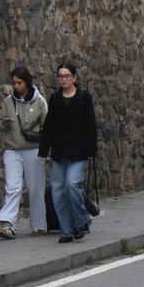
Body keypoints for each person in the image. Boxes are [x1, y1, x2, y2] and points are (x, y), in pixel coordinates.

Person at [38, 61, 98, 243]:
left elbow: (90, 125)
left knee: (72, 184)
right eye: (61, 76)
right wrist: (43, 149)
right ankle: (66, 230)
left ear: (74, 78)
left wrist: (91, 149)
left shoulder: (83, 98)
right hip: (59, 150)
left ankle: (81, 220)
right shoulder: (55, 98)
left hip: (78, 151)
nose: (64, 79)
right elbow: (49, 126)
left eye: (67, 76)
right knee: (58, 192)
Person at [0, 67, 49, 239]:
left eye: (19, 83)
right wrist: (4, 123)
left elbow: (48, 128)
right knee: (13, 187)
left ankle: (38, 225)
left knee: (36, 188)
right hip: (12, 150)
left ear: (27, 82)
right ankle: (7, 224)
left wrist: (47, 151)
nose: (16, 86)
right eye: (14, 83)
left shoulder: (40, 101)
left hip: (34, 150)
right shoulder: (8, 102)